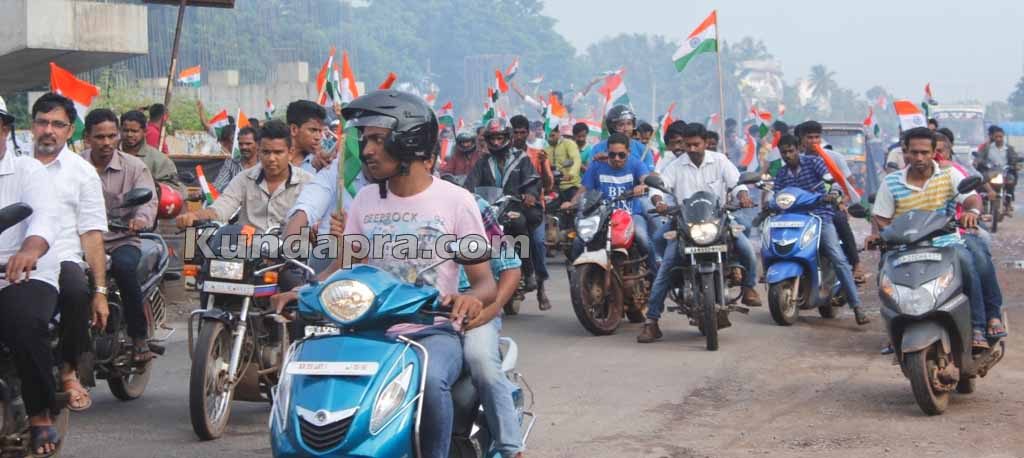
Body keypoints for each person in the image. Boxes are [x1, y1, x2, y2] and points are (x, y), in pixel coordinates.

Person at [319, 90, 497, 458]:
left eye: (377, 140)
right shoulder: (365, 201)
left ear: (409, 140)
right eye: (365, 139)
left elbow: (485, 284)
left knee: (430, 381)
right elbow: (346, 268)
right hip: (369, 328)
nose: (366, 150)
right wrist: (310, 289)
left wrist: (468, 298)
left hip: (432, 332)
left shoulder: (456, 201)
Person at [867, 127, 996, 348]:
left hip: (944, 242)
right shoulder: (891, 182)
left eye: (924, 152)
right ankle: (894, 331)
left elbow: (972, 199)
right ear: (905, 152)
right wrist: (878, 235)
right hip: (904, 246)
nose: (919, 157)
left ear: (934, 151)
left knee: (967, 263)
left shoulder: (949, 174)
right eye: (914, 152)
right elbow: (881, 217)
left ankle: (977, 326)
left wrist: (970, 213)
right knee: (884, 277)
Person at [638, 123, 759, 343]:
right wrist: (658, 201)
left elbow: (736, 182)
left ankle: (749, 287)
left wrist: (742, 196)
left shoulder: (720, 161)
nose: (692, 149)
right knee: (665, 266)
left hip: (718, 221)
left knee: (746, 248)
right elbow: (659, 187)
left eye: (696, 144)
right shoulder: (675, 166)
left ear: (705, 143)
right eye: (688, 144)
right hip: (684, 224)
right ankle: (652, 322)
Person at [29, 94, 109, 413]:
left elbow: (91, 233)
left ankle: (69, 370)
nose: (48, 130)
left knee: (77, 290)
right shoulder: (13, 164)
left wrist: (100, 291)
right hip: (13, 255)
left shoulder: (82, 172)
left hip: (61, 257)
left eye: (57, 124)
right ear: (32, 125)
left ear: (69, 130)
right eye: (42, 122)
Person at [0, 101, 63, 455]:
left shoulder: (27, 171)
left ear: (5, 130)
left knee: (24, 324)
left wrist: (29, 250)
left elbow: (44, 217)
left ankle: (40, 416)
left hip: (24, 273)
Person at [81, 109, 159, 363]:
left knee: (126, 269)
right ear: (87, 138)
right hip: (82, 242)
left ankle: (139, 337)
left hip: (122, 239)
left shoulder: (135, 166)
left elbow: (148, 201)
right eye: (99, 137)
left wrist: (140, 220)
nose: (106, 143)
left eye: (111, 136)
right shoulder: (76, 167)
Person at [454, 193, 525, 458]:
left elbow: (510, 267)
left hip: (475, 310)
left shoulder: (472, 204)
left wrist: (490, 310)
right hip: (408, 313)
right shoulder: (374, 203)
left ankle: (512, 448)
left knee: (481, 360)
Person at [773, 132, 869, 325]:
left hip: (820, 217)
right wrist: (770, 204)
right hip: (794, 220)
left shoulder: (814, 163)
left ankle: (856, 305)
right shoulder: (782, 174)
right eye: (784, 153)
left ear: (798, 149)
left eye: (791, 151)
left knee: (837, 256)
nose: (788, 155)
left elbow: (831, 183)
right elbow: (776, 194)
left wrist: (831, 194)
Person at [176, 120, 314, 234]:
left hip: (290, 257)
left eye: (278, 152)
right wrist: (194, 216)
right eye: (266, 152)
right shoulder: (243, 179)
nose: (271, 158)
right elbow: (221, 208)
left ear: (290, 153)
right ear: (259, 152)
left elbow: (316, 221)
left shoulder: (308, 183)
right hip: (246, 255)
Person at [464, 117, 543, 300]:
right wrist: (464, 196)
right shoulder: (483, 162)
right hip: (490, 209)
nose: (496, 142)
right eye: (492, 138)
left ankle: (528, 271)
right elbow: (470, 184)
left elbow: (532, 180)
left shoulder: (521, 159)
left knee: (519, 223)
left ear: (507, 137)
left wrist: (530, 194)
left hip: (515, 207)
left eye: (500, 138)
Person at [561, 133, 656, 274]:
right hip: (601, 216)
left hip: (630, 215)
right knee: (579, 242)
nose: (617, 159)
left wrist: (643, 185)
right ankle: (577, 275)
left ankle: (654, 276)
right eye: (612, 155)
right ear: (607, 152)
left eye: (621, 155)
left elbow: (645, 178)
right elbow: (584, 189)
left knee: (642, 238)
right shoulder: (596, 166)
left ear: (628, 152)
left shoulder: (636, 164)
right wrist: (571, 202)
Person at [797, 121, 867, 284]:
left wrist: (842, 202)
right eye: (809, 137)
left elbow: (848, 185)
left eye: (817, 137)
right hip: (802, 207)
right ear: (801, 140)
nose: (814, 141)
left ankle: (856, 264)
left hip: (829, 206)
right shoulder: (797, 160)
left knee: (840, 220)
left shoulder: (835, 157)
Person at [121, 110, 183, 195]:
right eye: (126, 130)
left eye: (134, 131)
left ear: (144, 131)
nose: (129, 134)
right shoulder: (110, 154)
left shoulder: (159, 160)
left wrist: (155, 187)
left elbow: (175, 190)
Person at [524, 135, 554, 311]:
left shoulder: (537, 156)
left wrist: (543, 164)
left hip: (533, 208)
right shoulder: (503, 156)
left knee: (537, 241)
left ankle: (541, 286)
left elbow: (548, 185)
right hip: (509, 207)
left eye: (522, 133)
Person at [587, 106, 655, 169]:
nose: (626, 129)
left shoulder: (643, 150)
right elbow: (591, 170)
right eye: (621, 125)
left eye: (629, 124)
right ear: (612, 127)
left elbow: (649, 174)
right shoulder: (598, 148)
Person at [975, 125, 1018, 215]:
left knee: (1012, 179)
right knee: (981, 180)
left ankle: (1008, 201)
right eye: (996, 137)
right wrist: (981, 162)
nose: (998, 139)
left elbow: (1014, 158)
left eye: (1000, 137)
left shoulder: (1009, 149)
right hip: (991, 173)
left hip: (1005, 173)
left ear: (1003, 136)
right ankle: (982, 201)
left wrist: (1014, 165)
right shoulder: (987, 148)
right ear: (993, 137)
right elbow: (980, 158)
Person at [211, 126, 260, 192]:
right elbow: (218, 185)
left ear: (257, 144)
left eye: (248, 144)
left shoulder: (264, 165)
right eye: (241, 144)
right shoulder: (231, 163)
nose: (244, 147)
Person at [286, 100, 327, 174]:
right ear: (294, 129)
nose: (318, 137)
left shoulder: (321, 164)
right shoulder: (271, 161)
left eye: (320, 131)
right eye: (313, 130)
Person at [547, 123, 582, 204]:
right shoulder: (546, 149)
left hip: (570, 185)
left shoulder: (568, 143)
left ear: (559, 133)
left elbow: (576, 160)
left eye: (552, 135)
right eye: (548, 136)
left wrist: (571, 174)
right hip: (553, 187)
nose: (550, 138)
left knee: (575, 208)